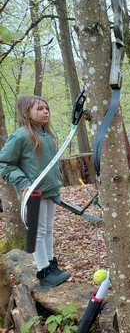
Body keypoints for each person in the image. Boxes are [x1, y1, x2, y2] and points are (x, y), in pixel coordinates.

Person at [0, 96, 70, 287]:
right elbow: (5, 164)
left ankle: (50, 265)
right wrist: (23, 183)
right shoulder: (20, 136)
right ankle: (43, 271)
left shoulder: (47, 134)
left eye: (46, 108)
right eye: (39, 109)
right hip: (33, 193)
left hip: (48, 190)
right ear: (25, 113)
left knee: (47, 229)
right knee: (38, 231)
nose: (45, 111)